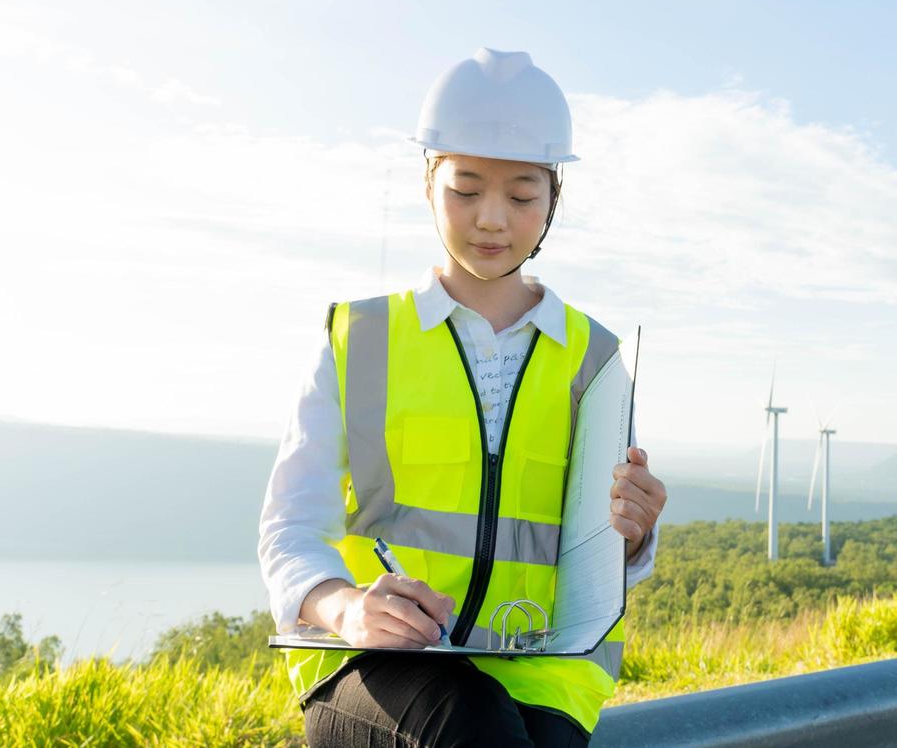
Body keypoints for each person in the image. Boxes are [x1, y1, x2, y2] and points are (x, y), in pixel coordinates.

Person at [257, 48, 667, 748]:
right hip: (377, 665)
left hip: (543, 673)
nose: (491, 220)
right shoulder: (359, 337)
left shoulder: (596, 360)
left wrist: (635, 535)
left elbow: (594, 554)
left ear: (553, 198)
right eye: (466, 189)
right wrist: (347, 607)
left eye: (521, 195)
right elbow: (291, 529)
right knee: (471, 724)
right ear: (428, 184)